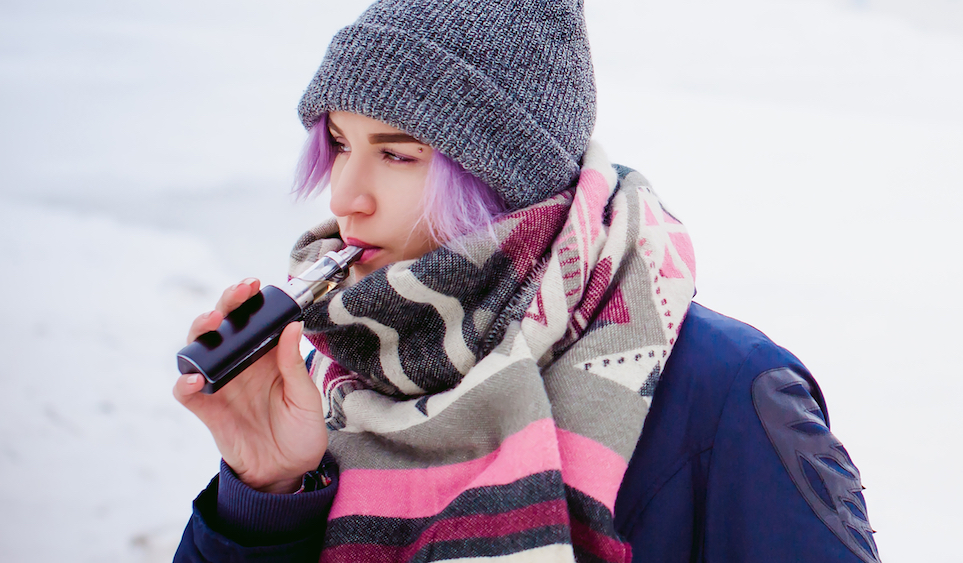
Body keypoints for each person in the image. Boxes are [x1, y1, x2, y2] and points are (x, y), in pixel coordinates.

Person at [173, 1, 880, 562]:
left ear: (501, 178)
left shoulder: (729, 393)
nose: (343, 196)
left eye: (397, 155)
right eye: (339, 145)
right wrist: (264, 498)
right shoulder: (336, 373)